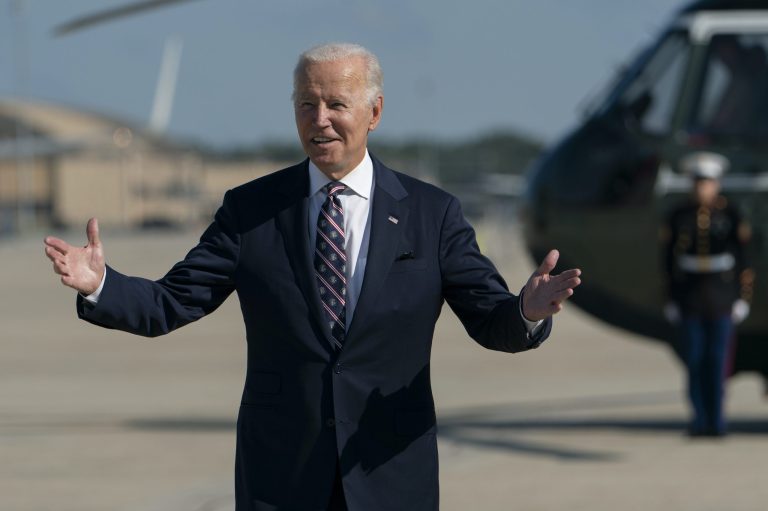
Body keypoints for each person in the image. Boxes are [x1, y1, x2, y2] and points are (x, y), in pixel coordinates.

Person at [44, 43, 581, 510]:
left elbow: (491, 319)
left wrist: (527, 311)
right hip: (281, 476)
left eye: (336, 104)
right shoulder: (250, 210)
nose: (319, 118)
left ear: (374, 111)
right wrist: (101, 285)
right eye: (306, 104)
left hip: (389, 475)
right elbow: (171, 302)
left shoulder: (430, 213)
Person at [661, 151, 754, 438]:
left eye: (709, 182)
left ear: (717, 184)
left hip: (722, 297)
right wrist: (671, 299)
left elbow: (744, 260)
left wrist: (742, 298)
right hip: (691, 299)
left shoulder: (731, 215)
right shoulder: (679, 216)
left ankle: (717, 420)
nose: (703, 188)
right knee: (695, 360)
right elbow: (668, 262)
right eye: (699, 182)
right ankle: (699, 419)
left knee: (717, 361)